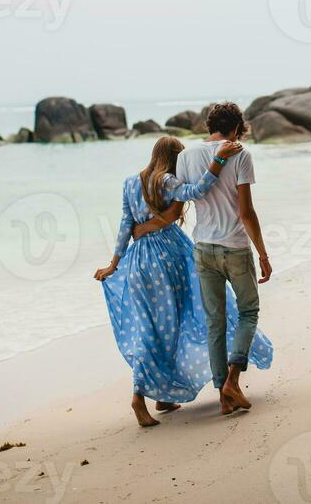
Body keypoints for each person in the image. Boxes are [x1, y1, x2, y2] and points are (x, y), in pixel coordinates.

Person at [94, 135, 272, 427]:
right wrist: (218, 160)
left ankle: (162, 396)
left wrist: (115, 263)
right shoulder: (166, 181)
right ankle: (139, 398)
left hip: (138, 261)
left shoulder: (129, 182)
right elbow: (198, 189)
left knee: (151, 329)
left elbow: (126, 225)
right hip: (169, 258)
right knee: (176, 325)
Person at [134, 102, 273, 416]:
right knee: (249, 311)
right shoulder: (240, 154)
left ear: (210, 125)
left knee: (215, 323)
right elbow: (246, 212)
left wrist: (143, 226)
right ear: (236, 128)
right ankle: (232, 383)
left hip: (203, 248)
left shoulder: (185, 156)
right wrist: (263, 253)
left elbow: (186, 199)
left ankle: (224, 396)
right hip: (234, 247)